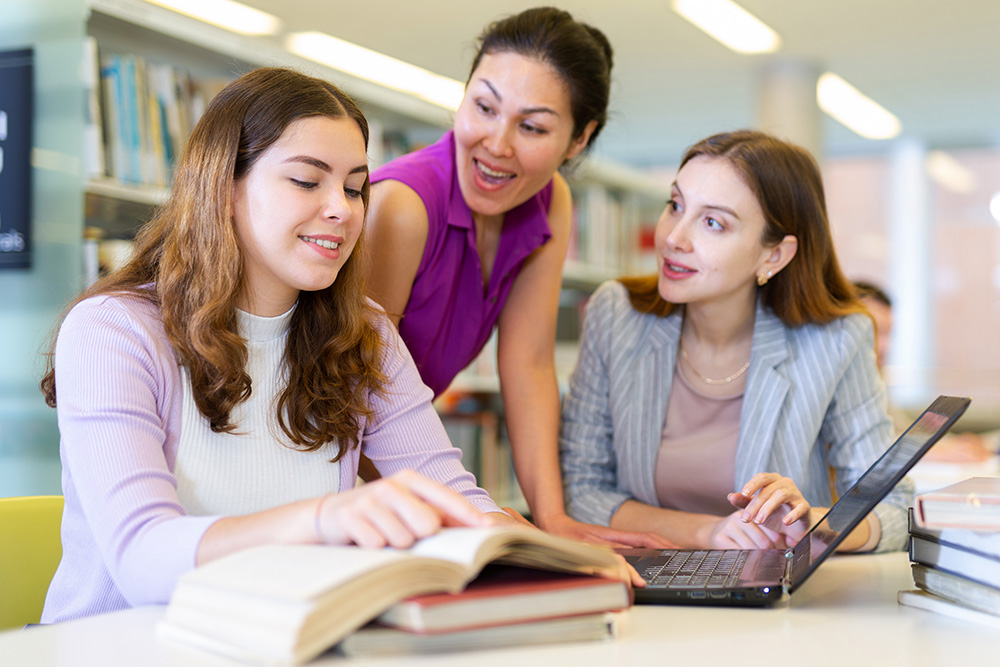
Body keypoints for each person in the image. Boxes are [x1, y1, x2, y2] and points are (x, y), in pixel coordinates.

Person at [38, 67, 530, 623]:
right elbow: (142, 559)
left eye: (353, 187)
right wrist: (323, 520)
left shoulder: (363, 332)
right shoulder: (114, 332)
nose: (342, 210)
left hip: (282, 640)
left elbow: (449, 489)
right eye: (306, 181)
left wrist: (526, 550)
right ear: (224, 189)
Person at [364, 7, 666, 548]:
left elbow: (527, 363)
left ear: (578, 140)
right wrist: (454, 513)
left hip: (406, 480)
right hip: (338, 470)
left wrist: (553, 518)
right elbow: (360, 392)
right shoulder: (402, 207)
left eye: (531, 127)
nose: (497, 144)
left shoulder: (550, 203)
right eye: (484, 107)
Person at [560, 130, 913, 552]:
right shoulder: (616, 315)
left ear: (774, 256)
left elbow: (894, 508)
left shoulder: (836, 340)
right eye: (675, 205)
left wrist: (808, 523)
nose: (674, 237)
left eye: (713, 222)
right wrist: (707, 533)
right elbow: (581, 492)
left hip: (774, 603)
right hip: (642, 586)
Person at [855, 281, 996, 462]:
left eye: (889, 333)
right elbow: (867, 445)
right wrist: (939, 452)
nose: (885, 345)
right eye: (876, 331)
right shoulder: (844, 383)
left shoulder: (873, 378)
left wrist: (953, 443)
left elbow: (903, 430)